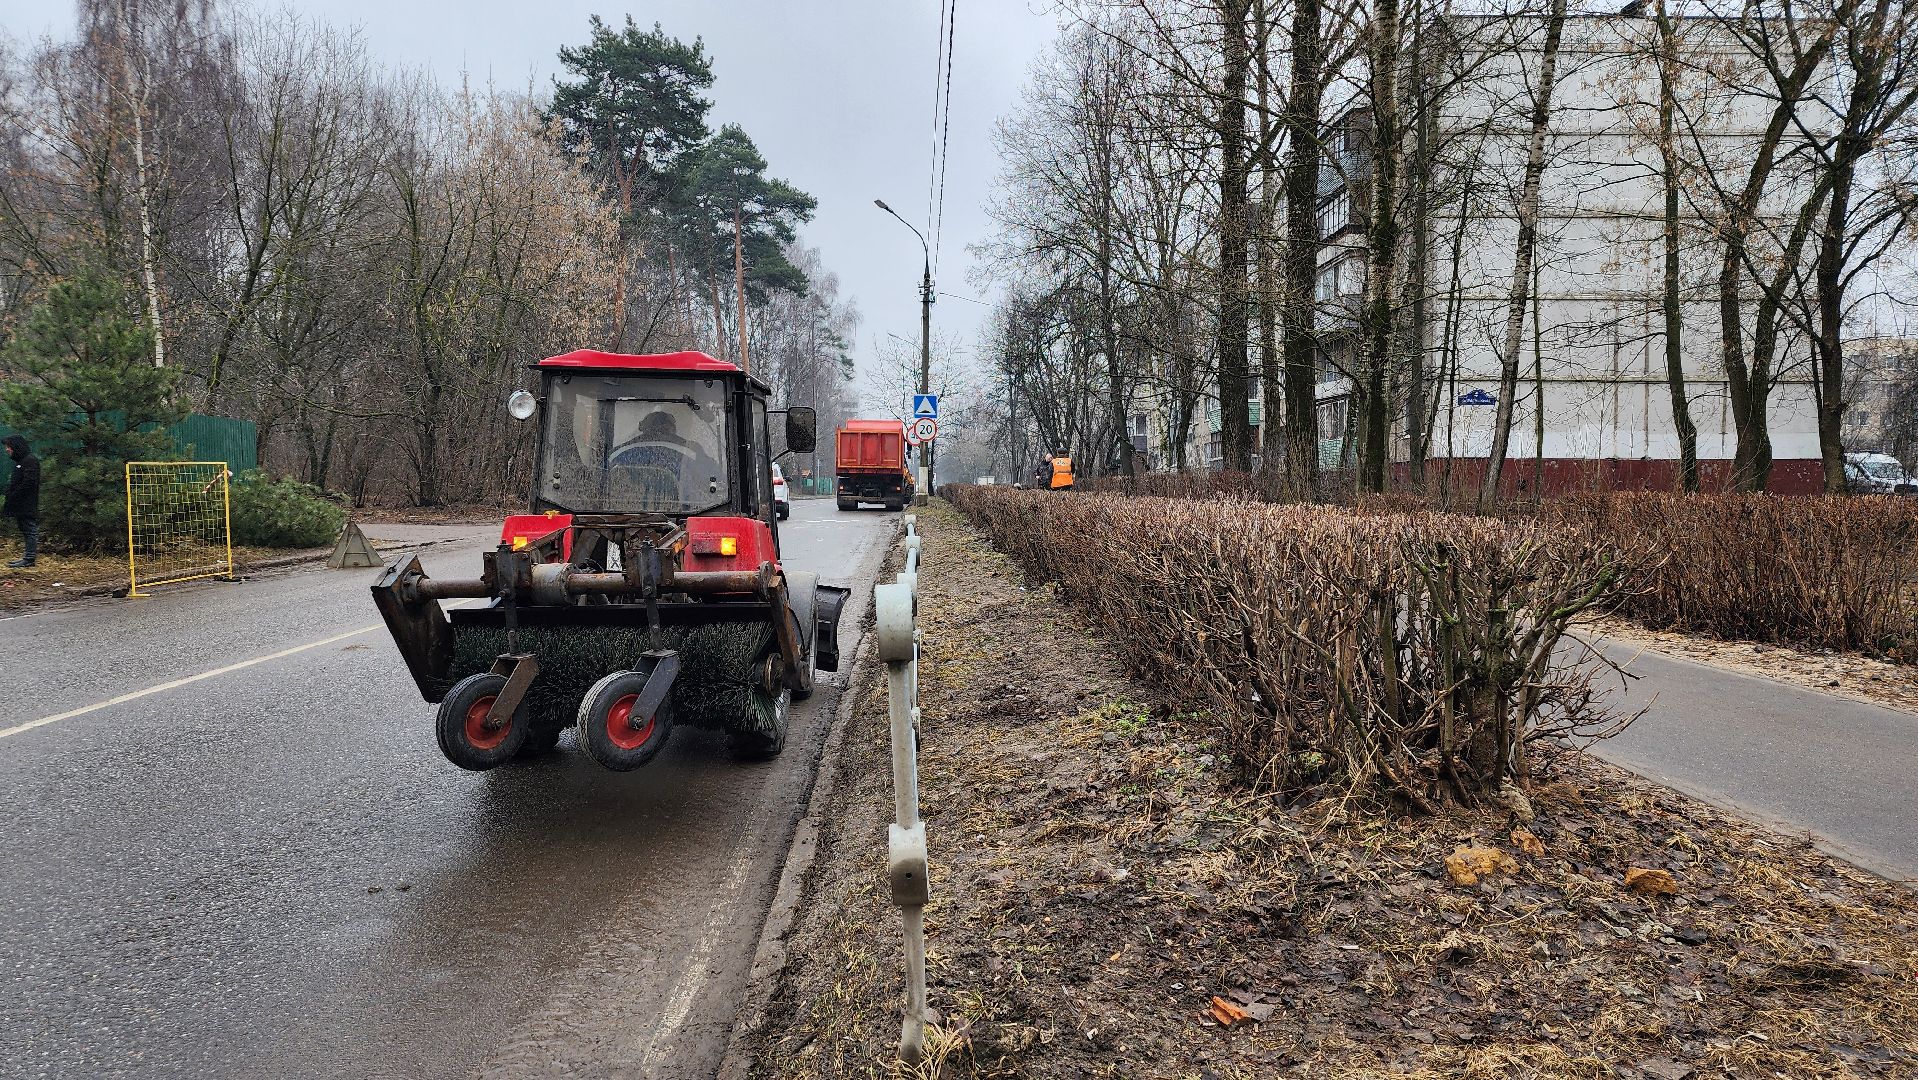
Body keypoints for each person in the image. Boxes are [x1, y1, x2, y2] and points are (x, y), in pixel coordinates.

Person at [4, 435, 39, 569]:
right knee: (25, 529)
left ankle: (29, 559)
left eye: (9, 447)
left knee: (30, 530)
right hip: (20, 504)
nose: (7, 450)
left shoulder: (30, 461)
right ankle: (27, 557)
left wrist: (14, 495)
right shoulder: (21, 462)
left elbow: (28, 483)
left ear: (16, 446)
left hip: (26, 504)